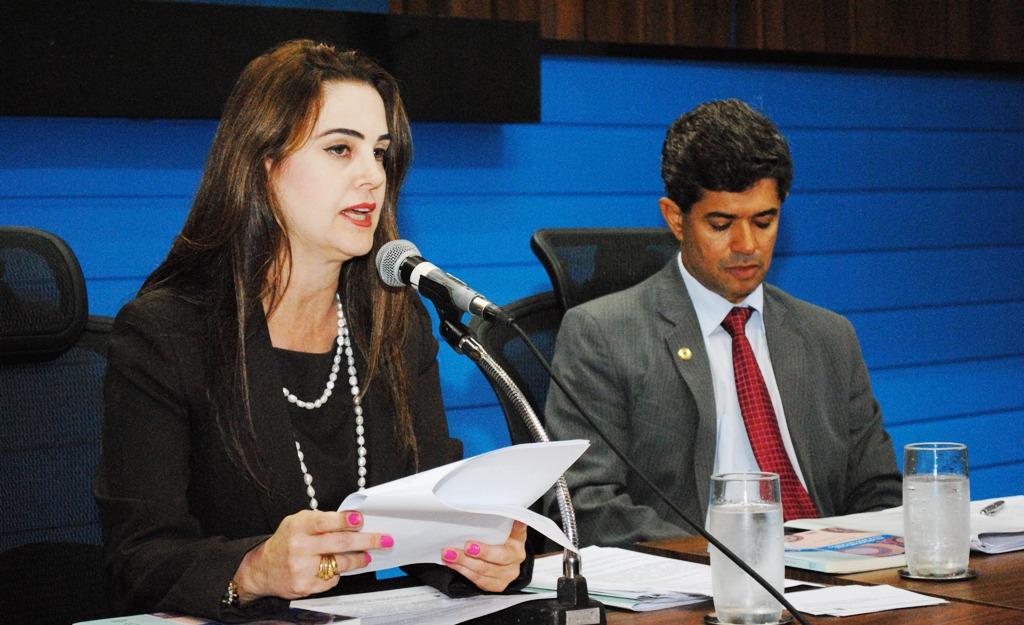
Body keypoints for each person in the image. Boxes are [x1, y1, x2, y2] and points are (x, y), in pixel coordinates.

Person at [95, 40, 528, 621]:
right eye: (339, 149)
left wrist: (479, 554)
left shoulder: (394, 323)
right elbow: (138, 559)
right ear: (262, 165)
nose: (371, 176)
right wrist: (252, 570)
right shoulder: (167, 334)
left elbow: (428, 526)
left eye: (380, 153)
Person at [543, 99, 902, 548]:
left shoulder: (830, 336)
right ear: (676, 219)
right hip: (693, 576)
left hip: (829, 573)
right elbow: (583, 505)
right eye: (721, 223)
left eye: (764, 221)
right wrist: (726, 560)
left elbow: (879, 491)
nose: (746, 244)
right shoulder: (602, 335)